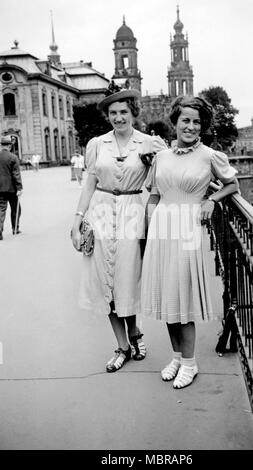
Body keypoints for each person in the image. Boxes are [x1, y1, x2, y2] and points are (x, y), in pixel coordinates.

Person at [141, 95, 239, 389]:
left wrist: (211, 200)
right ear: (175, 122)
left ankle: (190, 362)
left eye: (197, 122)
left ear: (203, 125)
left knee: (182, 296)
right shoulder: (161, 158)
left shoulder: (210, 156)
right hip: (162, 229)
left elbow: (231, 184)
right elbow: (155, 195)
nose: (191, 126)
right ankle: (176, 356)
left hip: (187, 230)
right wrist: (149, 225)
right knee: (167, 296)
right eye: (186, 120)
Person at [70, 84, 167, 372]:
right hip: (100, 214)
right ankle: (122, 345)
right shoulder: (97, 144)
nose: (118, 117)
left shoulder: (149, 143)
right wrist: (76, 221)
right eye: (113, 113)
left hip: (132, 214)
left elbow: (164, 179)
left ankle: (135, 333)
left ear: (133, 113)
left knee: (127, 277)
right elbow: (89, 185)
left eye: (123, 111)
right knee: (105, 282)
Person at [0, 135, 23, 240]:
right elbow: (16, 174)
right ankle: (15, 228)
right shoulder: (13, 157)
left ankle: (0, 229)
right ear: (9, 145)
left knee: (1, 209)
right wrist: (19, 188)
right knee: (16, 208)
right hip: (11, 189)